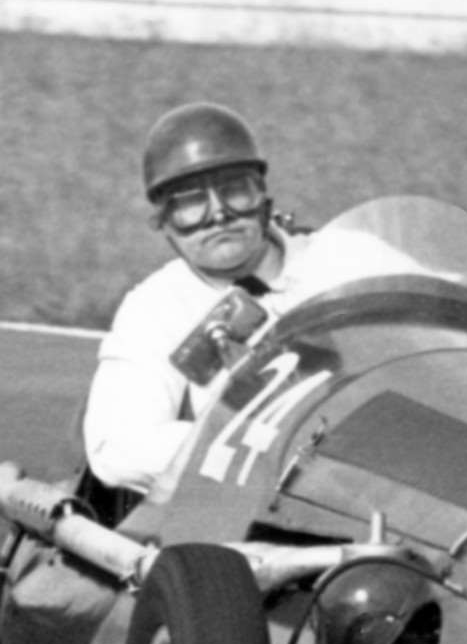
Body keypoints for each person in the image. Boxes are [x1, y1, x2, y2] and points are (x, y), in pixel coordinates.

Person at [80, 103, 307, 501]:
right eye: (191, 202)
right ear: (165, 222)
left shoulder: (342, 255)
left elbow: (441, 310)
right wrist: (261, 446)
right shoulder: (154, 309)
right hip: (248, 509)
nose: (219, 214)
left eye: (235, 190)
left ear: (263, 198)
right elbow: (118, 447)